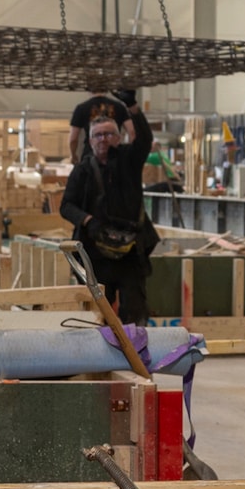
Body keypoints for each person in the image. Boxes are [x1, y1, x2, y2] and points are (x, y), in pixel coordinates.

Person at [60, 100, 158, 325]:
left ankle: (135, 355)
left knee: (135, 310)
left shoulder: (130, 162)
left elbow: (144, 140)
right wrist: (87, 220)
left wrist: (133, 108)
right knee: (99, 311)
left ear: (119, 137)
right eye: (98, 135)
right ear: (90, 141)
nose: (104, 139)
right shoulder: (82, 171)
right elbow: (66, 205)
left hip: (131, 252)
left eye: (109, 134)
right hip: (96, 252)